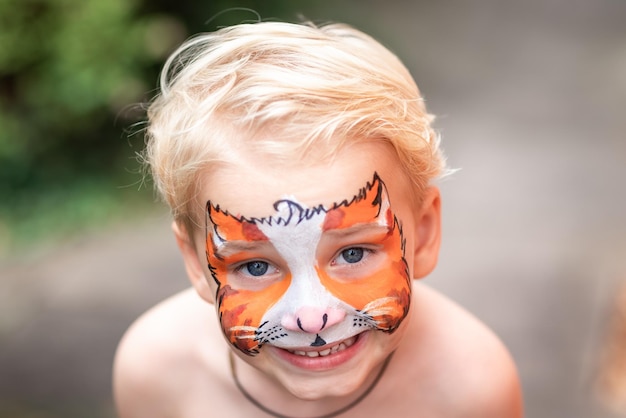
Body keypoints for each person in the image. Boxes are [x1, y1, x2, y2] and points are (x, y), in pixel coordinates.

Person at [113, 20, 523, 418]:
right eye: (255, 266)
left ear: (425, 233)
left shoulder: (470, 388)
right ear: (195, 265)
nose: (312, 316)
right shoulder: (157, 373)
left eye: (353, 253)